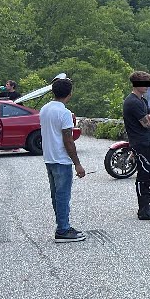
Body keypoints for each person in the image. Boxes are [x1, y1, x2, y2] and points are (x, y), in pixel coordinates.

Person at [39, 74, 87, 242]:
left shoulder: (44, 109)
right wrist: (78, 164)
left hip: (49, 158)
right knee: (63, 196)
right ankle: (63, 230)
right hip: (61, 159)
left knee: (56, 195)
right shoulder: (64, 113)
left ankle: (62, 225)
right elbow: (68, 140)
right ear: (70, 94)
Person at [123, 71, 150, 220]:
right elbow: (146, 123)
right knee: (144, 175)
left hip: (148, 141)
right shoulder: (132, 102)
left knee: (149, 174)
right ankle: (143, 210)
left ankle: (147, 206)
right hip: (141, 142)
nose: (147, 86)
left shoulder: (142, 101)